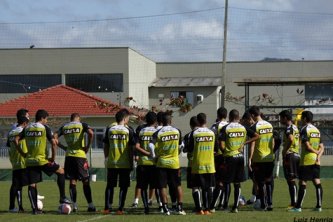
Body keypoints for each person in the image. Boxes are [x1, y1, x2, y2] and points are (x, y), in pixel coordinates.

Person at [14, 109, 71, 214]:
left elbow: (15, 140)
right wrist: (53, 158)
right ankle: (62, 197)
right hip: (42, 160)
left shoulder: (27, 127)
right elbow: (54, 143)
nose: (47, 121)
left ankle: (35, 210)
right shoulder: (45, 128)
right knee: (61, 171)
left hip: (30, 161)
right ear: (42, 118)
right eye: (46, 119)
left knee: (32, 185)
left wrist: (23, 154)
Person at [211, 109, 257, 213]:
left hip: (229, 157)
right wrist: (244, 143)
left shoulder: (225, 128)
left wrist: (225, 152)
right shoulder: (243, 127)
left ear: (230, 117)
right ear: (238, 117)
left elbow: (221, 145)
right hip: (240, 157)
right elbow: (257, 136)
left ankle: (216, 206)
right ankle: (235, 207)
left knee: (224, 182)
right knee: (237, 183)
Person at [55, 113, 96, 212]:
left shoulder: (65, 126)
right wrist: (87, 146)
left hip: (69, 157)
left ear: (71, 119)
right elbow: (91, 133)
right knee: (85, 181)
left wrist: (64, 147)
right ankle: (90, 205)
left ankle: (75, 206)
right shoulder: (82, 125)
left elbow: (54, 137)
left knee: (72, 181)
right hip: (80, 156)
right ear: (78, 118)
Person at [150, 112, 185, 215]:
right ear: (171, 121)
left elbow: (151, 146)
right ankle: (180, 207)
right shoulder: (177, 131)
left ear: (162, 121)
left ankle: (165, 208)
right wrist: (177, 152)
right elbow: (181, 146)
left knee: (162, 186)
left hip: (162, 163)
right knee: (177, 185)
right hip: (174, 163)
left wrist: (154, 156)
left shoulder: (158, 132)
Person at [289, 111, 324, 212]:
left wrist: (315, 152)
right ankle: (319, 206)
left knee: (302, 182)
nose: (300, 119)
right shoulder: (316, 130)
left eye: (301, 117)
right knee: (317, 181)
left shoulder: (304, 129)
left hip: (307, 160)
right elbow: (322, 147)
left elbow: (307, 147)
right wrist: (318, 155)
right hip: (316, 161)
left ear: (304, 118)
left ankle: (298, 207)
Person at [103, 109, 136, 215]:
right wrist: (132, 163)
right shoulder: (129, 130)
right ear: (125, 119)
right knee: (123, 186)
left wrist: (106, 158)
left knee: (110, 185)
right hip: (125, 163)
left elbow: (106, 145)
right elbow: (131, 148)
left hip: (112, 162)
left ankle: (107, 207)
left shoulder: (110, 129)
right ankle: (120, 209)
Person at [187, 113, 215, 215]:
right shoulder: (212, 133)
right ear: (206, 120)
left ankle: (199, 210)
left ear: (198, 122)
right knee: (209, 187)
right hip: (210, 165)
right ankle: (207, 209)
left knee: (196, 187)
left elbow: (190, 149)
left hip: (197, 164)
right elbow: (216, 149)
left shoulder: (194, 134)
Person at [248, 106, 275, 211]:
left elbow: (253, 143)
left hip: (259, 158)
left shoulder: (255, 127)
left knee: (260, 182)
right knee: (268, 181)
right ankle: (270, 204)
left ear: (253, 115)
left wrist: (250, 158)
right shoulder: (269, 125)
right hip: (269, 157)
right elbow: (272, 141)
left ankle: (263, 205)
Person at [134, 111, 158, 214]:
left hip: (142, 163)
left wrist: (146, 154)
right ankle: (156, 203)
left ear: (146, 120)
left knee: (142, 186)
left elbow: (136, 147)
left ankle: (146, 207)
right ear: (155, 120)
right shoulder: (158, 131)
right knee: (155, 185)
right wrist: (152, 154)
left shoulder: (142, 131)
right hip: (154, 163)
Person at [7, 116, 29, 213]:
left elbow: (8, 145)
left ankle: (14, 207)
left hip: (14, 161)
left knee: (15, 185)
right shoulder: (23, 131)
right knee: (30, 183)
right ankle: (34, 203)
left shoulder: (11, 132)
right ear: (24, 123)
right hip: (23, 160)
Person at [279, 110, 300, 209]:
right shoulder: (295, 127)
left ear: (285, 118)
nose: (280, 120)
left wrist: (285, 150)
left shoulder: (288, 128)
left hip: (290, 155)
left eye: (281, 118)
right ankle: (293, 202)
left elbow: (291, 139)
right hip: (296, 154)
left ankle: (294, 203)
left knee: (291, 180)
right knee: (291, 180)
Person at [210, 107, 229, 210]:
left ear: (217, 115)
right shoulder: (229, 125)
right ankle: (224, 203)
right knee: (227, 181)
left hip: (219, 155)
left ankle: (217, 203)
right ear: (226, 115)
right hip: (229, 154)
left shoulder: (215, 126)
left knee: (218, 181)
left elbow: (210, 137)